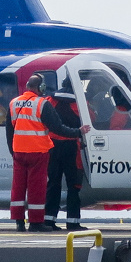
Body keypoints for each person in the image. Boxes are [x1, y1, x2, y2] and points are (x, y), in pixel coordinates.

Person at [6, 74, 88, 232]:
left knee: (19, 187)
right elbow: (58, 127)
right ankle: (36, 222)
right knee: (38, 187)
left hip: (19, 152)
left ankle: (20, 222)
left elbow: (9, 130)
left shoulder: (14, 103)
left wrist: (13, 150)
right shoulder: (42, 104)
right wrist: (78, 132)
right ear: (41, 87)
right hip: (39, 151)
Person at [44, 78, 87, 231]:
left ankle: (48, 220)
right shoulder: (80, 103)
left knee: (53, 183)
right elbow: (91, 119)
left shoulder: (49, 100)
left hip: (52, 146)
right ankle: (73, 222)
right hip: (72, 147)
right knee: (74, 185)